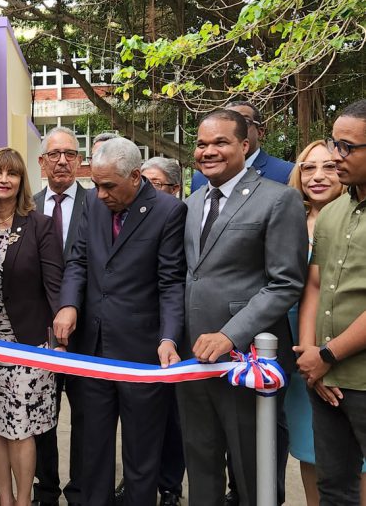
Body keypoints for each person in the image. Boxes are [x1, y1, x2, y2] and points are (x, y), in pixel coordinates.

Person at [178, 109, 307, 506]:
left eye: (220, 142)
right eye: (202, 144)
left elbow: (285, 283)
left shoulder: (279, 198)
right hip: (193, 358)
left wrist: (229, 334)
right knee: (201, 463)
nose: (208, 151)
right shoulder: (193, 200)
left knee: (253, 470)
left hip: (246, 358)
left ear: (245, 145)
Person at [54, 137, 187, 506]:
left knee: (141, 457)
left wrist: (169, 338)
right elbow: (78, 262)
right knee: (92, 452)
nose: (100, 194)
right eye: (95, 184)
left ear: (134, 176)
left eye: (108, 186)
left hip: (142, 354)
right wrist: (69, 305)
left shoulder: (167, 211)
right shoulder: (93, 206)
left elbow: (171, 283)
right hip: (92, 351)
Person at [0, 147, 63, 506]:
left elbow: (55, 284)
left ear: (21, 181)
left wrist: (60, 338)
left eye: (11, 173)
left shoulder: (39, 225)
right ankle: (4, 499)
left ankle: (24, 500)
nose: (3, 179)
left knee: (20, 427)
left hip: (26, 344)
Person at [283, 139, 365, 505]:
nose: (329, 164)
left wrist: (325, 355)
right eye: (308, 166)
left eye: (342, 152)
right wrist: (309, 358)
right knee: (327, 473)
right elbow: (313, 287)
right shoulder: (320, 215)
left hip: (351, 366)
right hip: (313, 366)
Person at [32, 127, 86, 506]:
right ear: (41, 162)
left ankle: (81, 491)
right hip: (37, 331)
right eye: (54, 154)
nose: (62, 160)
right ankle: (46, 489)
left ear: (80, 162)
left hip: (86, 331)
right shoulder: (27, 206)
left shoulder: (99, 204)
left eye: (70, 153)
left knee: (86, 417)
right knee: (42, 418)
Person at [139, 156, 186, 506]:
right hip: (139, 331)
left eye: (154, 184)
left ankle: (170, 485)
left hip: (177, 329)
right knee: (142, 419)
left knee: (173, 417)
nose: (146, 191)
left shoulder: (183, 216)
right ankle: (140, 480)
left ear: (174, 189)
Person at [191, 101, 294, 193]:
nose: (237, 127)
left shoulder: (287, 172)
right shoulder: (200, 178)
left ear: (260, 132)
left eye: (245, 122)